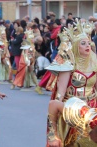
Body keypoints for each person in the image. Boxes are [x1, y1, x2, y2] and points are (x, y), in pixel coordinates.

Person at [46, 19, 97, 147]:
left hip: (92, 107)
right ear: (76, 46)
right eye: (83, 43)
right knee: (73, 142)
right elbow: (60, 94)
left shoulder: (95, 63)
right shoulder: (68, 65)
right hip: (73, 109)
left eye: (88, 43)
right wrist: (55, 127)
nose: (87, 45)